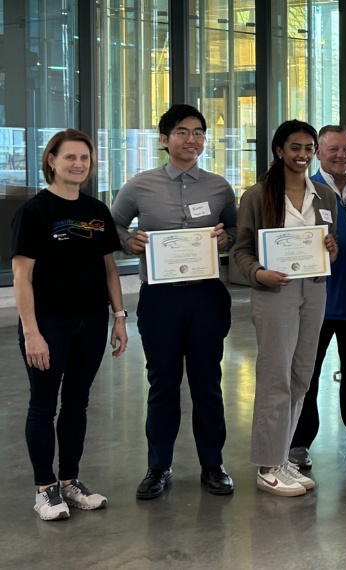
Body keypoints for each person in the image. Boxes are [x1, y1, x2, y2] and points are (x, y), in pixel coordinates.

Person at [110, 104, 238, 499]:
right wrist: (128, 242)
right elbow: (114, 223)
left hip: (206, 297)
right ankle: (158, 466)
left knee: (208, 383)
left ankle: (213, 464)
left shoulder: (219, 186)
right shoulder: (139, 185)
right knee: (162, 384)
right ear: (164, 140)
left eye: (199, 132)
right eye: (182, 132)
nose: (192, 140)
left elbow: (233, 229)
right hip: (160, 298)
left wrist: (225, 240)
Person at [12, 129, 128, 520]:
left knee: (77, 403)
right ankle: (44, 489)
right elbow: (21, 277)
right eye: (70, 158)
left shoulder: (97, 210)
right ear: (52, 161)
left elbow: (109, 267)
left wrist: (120, 316)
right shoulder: (34, 211)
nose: (78, 164)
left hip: (92, 321)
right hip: (48, 323)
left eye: (85, 159)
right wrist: (31, 332)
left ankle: (69, 482)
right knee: (43, 405)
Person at [232, 120, 339, 497]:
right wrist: (259, 273)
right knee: (275, 377)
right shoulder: (258, 196)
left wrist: (331, 250)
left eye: (309, 148)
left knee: (301, 377)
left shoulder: (323, 196)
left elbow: (330, 244)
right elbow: (239, 250)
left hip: (315, 292)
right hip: (275, 293)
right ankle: (266, 465)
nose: (303, 155)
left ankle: (281, 456)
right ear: (279, 151)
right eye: (296, 147)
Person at [288, 125, 346, 469]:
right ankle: (299, 442)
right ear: (318, 154)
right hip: (315, 303)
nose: (341, 155)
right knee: (305, 376)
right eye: (333, 150)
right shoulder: (303, 190)